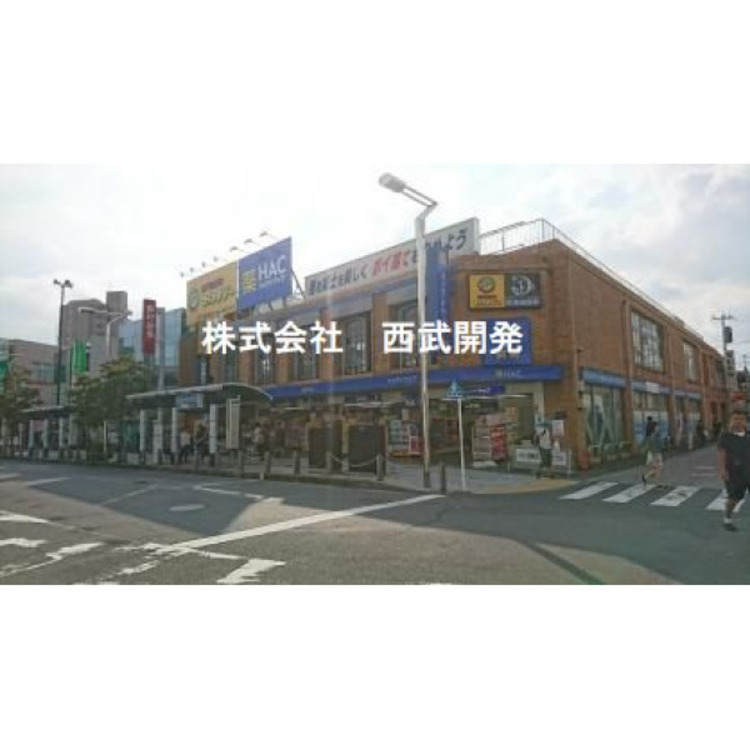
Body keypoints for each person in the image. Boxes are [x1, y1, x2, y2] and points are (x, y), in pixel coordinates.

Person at [717, 409, 750, 532]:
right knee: (735, 498)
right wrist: (722, 469)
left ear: (746, 421)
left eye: (742, 419)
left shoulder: (748, 435)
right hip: (734, 473)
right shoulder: (725, 436)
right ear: (730, 421)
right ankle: (727, 518)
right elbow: (721, 453)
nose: (738, 422)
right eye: (735, 419)